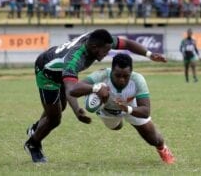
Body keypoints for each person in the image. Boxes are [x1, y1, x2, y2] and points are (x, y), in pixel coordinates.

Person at [24, 29, 167, 163]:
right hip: (47, 73)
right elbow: (72, 90)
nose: (107, 53)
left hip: (63, 70)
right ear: (94, 47)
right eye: (105, 51)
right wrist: (96, 89)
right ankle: (33, 144)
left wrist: (149, 54)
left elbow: (128, 44)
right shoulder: (75, 59)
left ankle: (36, 128)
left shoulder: (101, 39)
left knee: (58, 107)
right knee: (55, 118)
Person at [70, 53, 175, 164]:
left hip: (131, 107)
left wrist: (127, 109)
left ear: (131, 73)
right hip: (107, 111)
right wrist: (96, 88)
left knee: (154, 139)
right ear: (111, 71)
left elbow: (145, 111)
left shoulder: (138, 79)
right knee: (116, 127)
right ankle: (118, 120)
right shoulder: (101, 75)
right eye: (117, 75)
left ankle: (163, 149)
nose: (121, 80)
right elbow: (73, 90)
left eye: (126, 76)